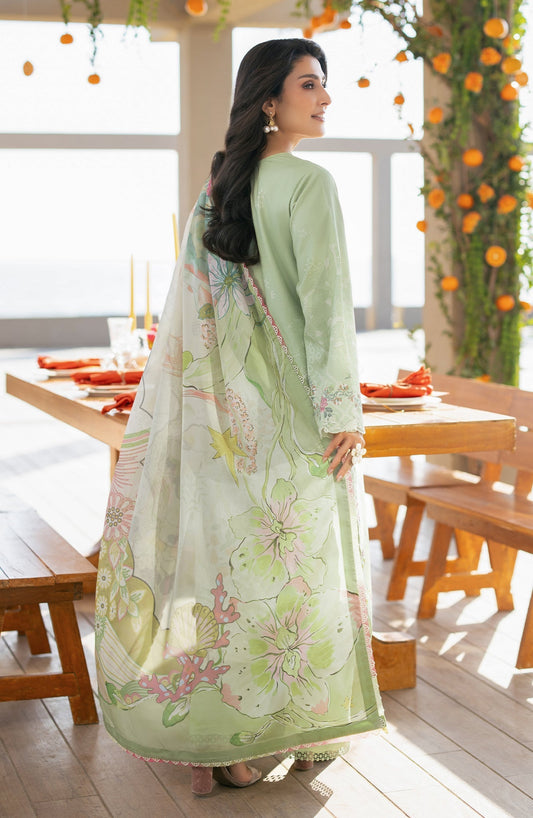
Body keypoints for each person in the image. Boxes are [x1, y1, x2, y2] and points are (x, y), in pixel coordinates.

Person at [95, 37, 385, 798]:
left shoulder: (220, 184)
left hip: (220, 418)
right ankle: (307, 729)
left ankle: (235, 744)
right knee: (302, 575)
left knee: (235, 574)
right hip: (292, 417)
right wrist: (342, 413)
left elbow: (191, 312)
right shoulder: (309, 183)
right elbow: (325, 309)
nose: (325, 99)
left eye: (323, 84)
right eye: (309, 85)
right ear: (268, 100)